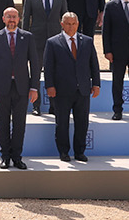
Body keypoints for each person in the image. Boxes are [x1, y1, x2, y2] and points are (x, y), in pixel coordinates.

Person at [0, 5, 39, 169]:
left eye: (14, 17)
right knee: (3, 123)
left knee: (19, 124)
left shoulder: (27, 37)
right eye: (9, 17)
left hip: (22, 88)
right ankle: (5, 157)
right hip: (1, 88)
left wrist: (34, 87)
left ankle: (17, 157)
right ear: (3, 19)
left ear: (19, 19)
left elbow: (35, 64)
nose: (12, 20)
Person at [45, 12, 101, 163]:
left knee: (82, 122)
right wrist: (49, 86)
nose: (71, 26)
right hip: (61, 91)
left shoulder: (87, 41)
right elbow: (48, 67)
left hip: (82, 90)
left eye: (74, 23)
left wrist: (96, 84)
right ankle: (63, 152)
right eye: (68, 24)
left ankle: (80, 152)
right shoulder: (52, 42)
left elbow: (94, 65)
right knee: (62, 123)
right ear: (62, 24)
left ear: (78, 24)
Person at [22, 0, 68, 115]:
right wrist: (24, 39)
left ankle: (54, 106)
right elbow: (25, 20)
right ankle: (36, 106)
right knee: (35, 74)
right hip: (36, 41)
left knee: (54, 74)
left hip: (56, 42)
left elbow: (66, 21)